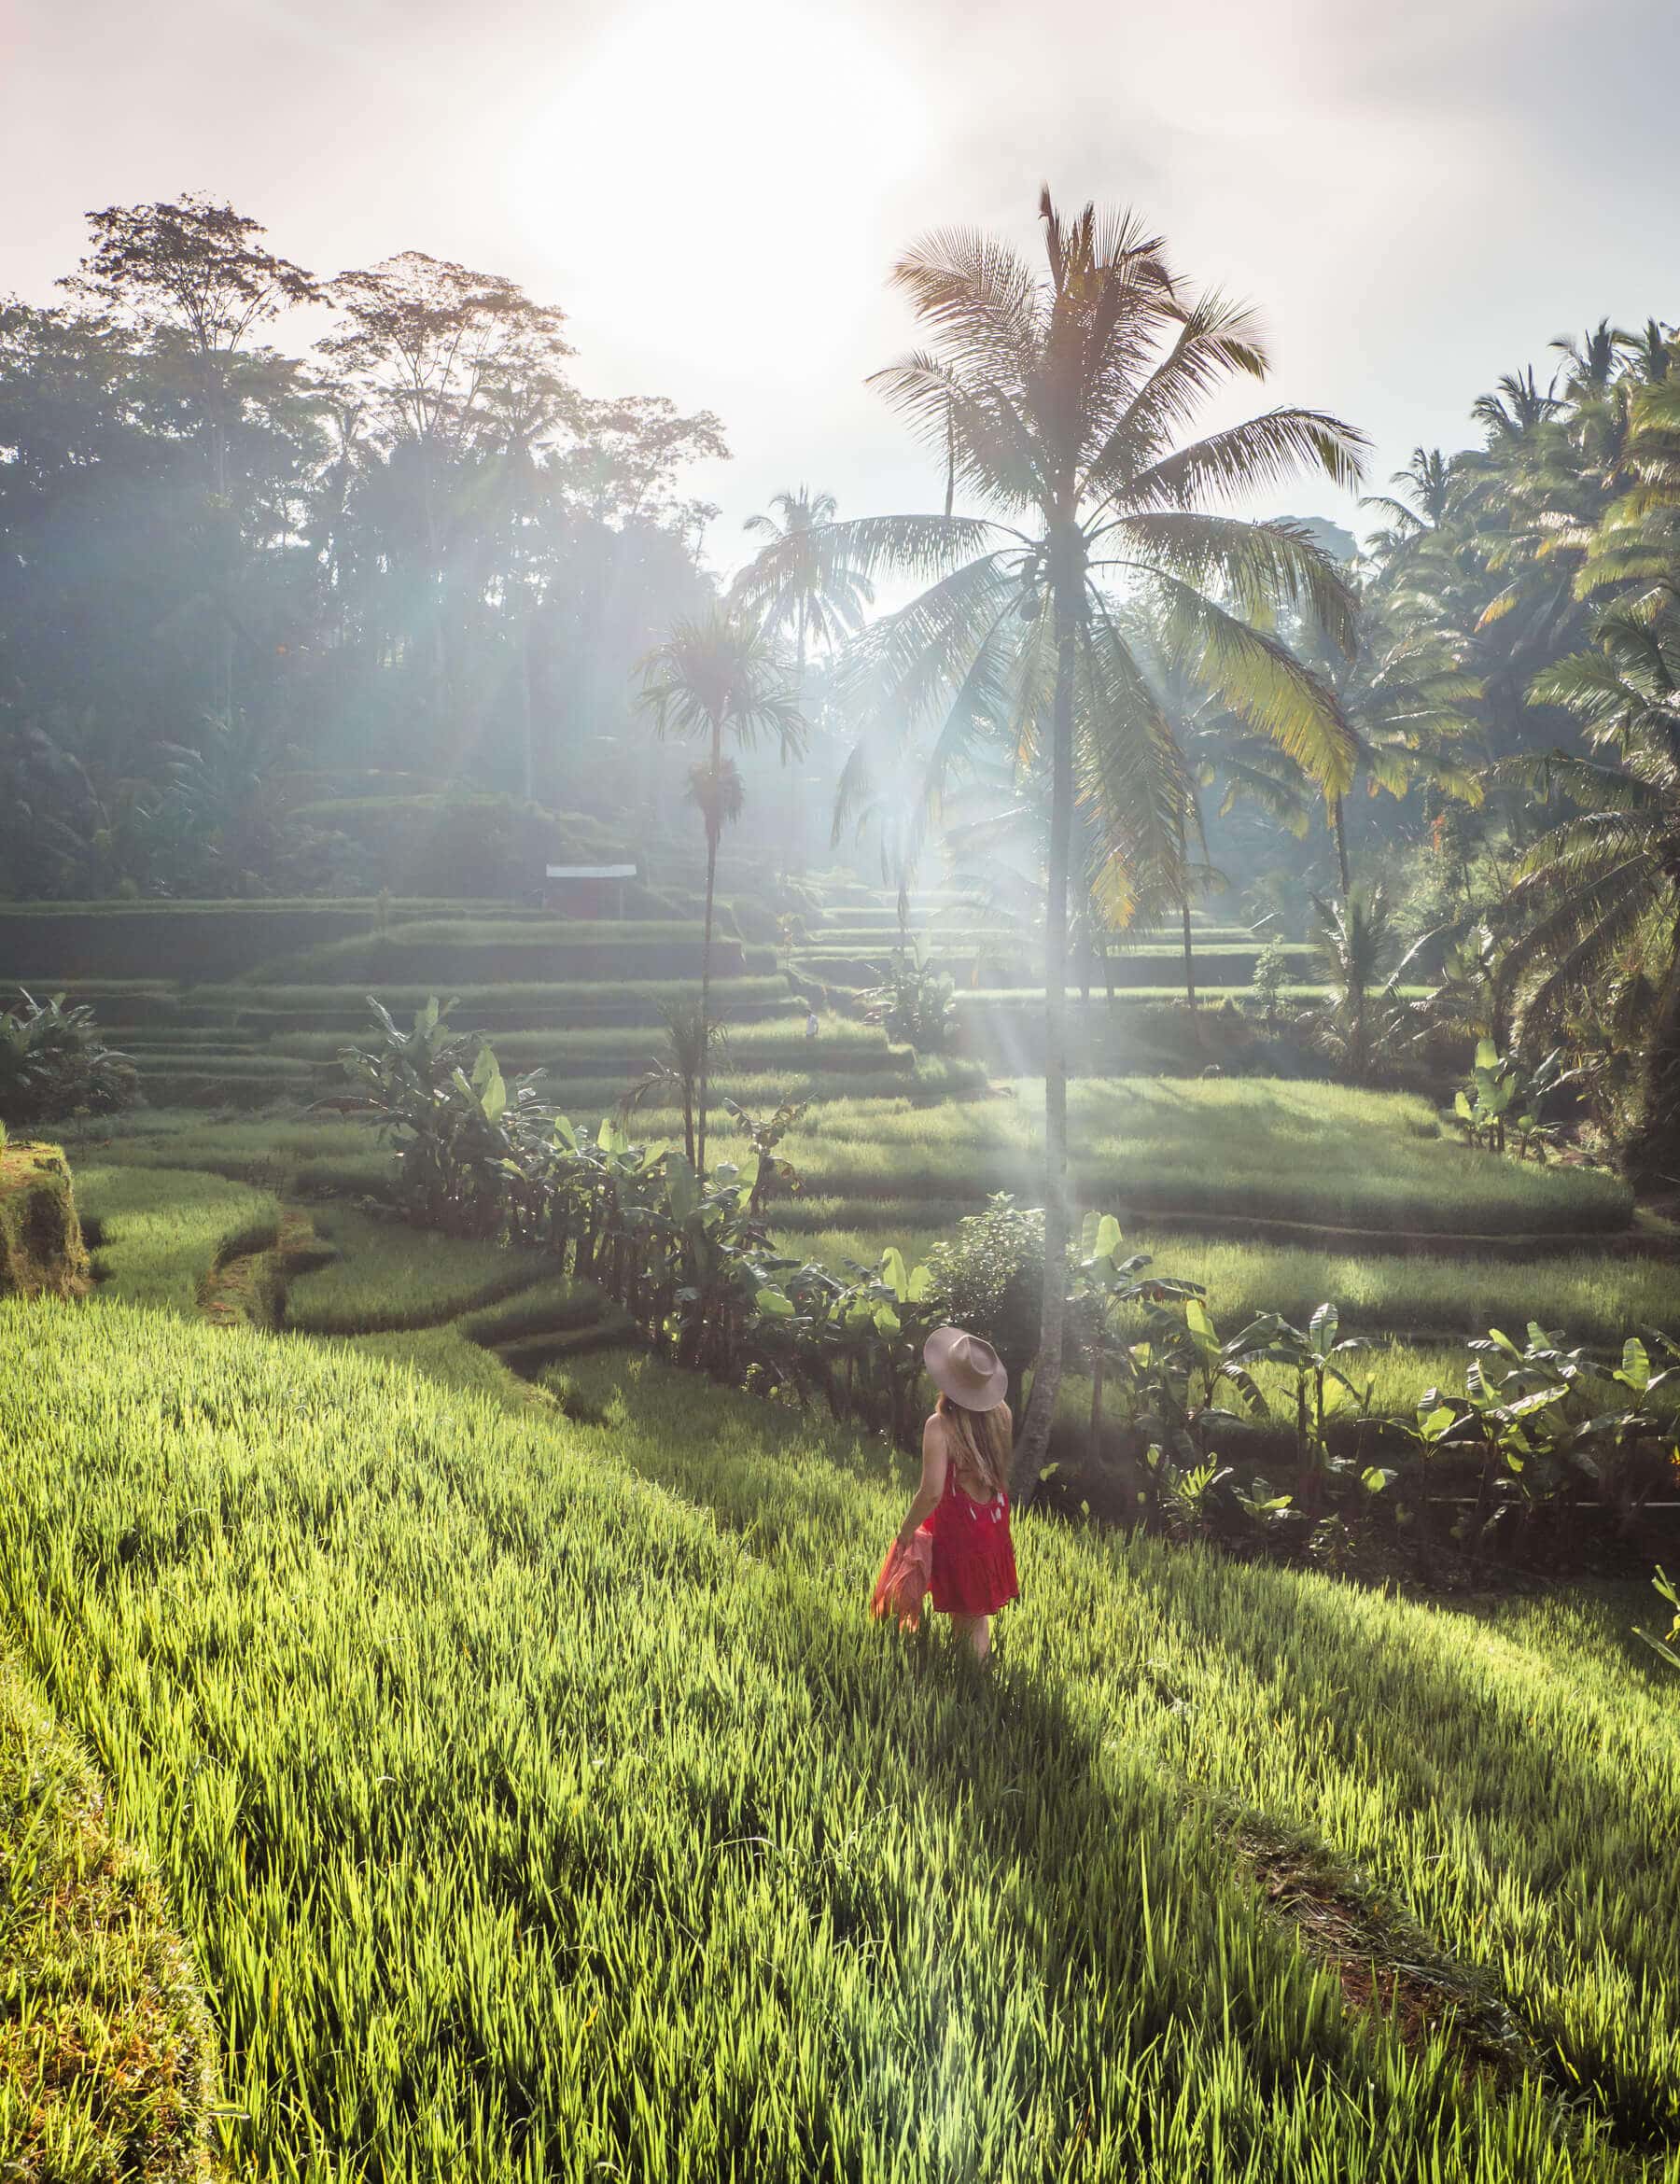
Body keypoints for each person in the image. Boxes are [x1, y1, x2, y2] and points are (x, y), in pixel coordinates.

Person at [893, 1327, 1019, 1661]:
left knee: (965, 1615)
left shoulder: (940, 1426)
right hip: (991, 1519)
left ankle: (971, 1687)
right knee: (975, 1613)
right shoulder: (1002, 1416)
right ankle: (979, 1673)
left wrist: (907, 1530)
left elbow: (932, 1491)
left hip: (961, 1525)